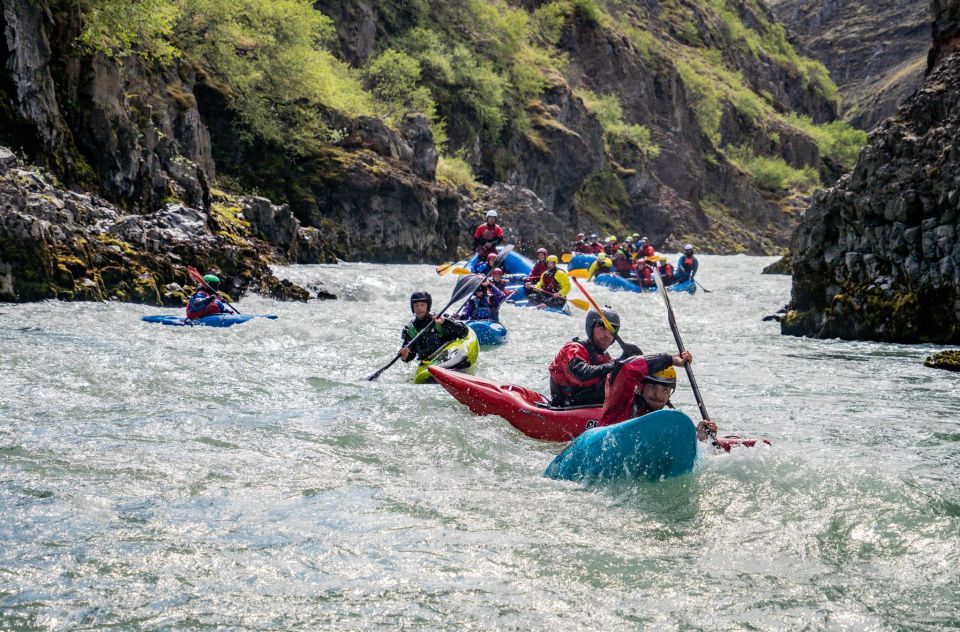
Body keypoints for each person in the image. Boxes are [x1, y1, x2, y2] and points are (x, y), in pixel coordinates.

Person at [597, 352, 718, 441]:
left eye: (665, 390)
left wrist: (698, 436)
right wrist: (669, 359)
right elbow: (626, 369)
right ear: (640, 387)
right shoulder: (620, 402)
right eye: (652, 387)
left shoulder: (664, 422)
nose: (658, 395)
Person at [548, 309, 640, 407]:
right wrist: (617, 364)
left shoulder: (605, 358)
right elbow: (581, 374)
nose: (607, 335)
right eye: (602, 327)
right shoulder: (573, 349)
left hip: (592, 405)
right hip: (568, 405)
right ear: (591, 328)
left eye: (612, 330)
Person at [400, 291, 470, 363]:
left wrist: (445, 322)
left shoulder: (440, 318)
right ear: (413, 307)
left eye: (422, 305)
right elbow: (410, 355)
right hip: (428, 363)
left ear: (428, 306)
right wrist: (405, 356)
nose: (419, 308)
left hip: (450, 355)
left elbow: (464, 332)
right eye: (416, 305)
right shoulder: (410, 329)